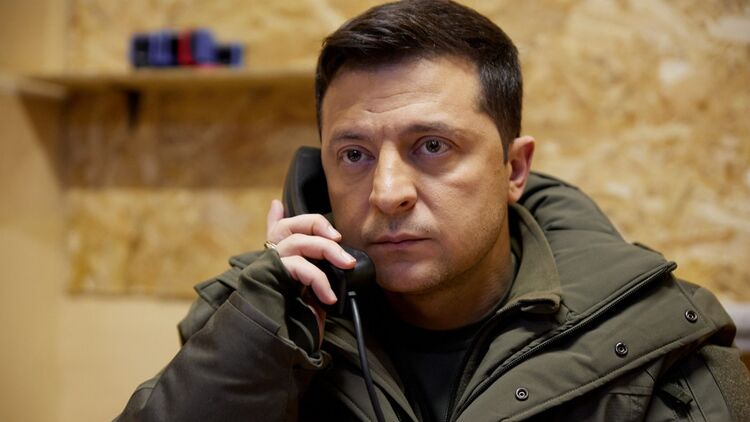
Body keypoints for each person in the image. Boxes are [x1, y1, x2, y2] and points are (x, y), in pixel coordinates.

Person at [117, 1, 750, 421]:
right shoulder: (253, 320)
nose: (387, 191)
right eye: (355, 154)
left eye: (432, 146)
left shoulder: (658, 342)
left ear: (514, 169)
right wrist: (261, 334)